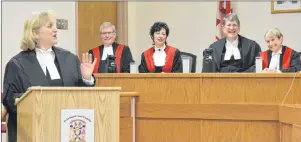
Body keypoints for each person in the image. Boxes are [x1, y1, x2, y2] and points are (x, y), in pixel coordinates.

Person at [2, 11, 96, 142]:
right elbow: (9, 99)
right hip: (33, 132)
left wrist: (86, 79)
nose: (55, 29)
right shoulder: (17, 64)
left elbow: (82, 97)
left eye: (55, 25)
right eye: (50, 25)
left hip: (66, 131)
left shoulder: (69, 58)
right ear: (35, 33)